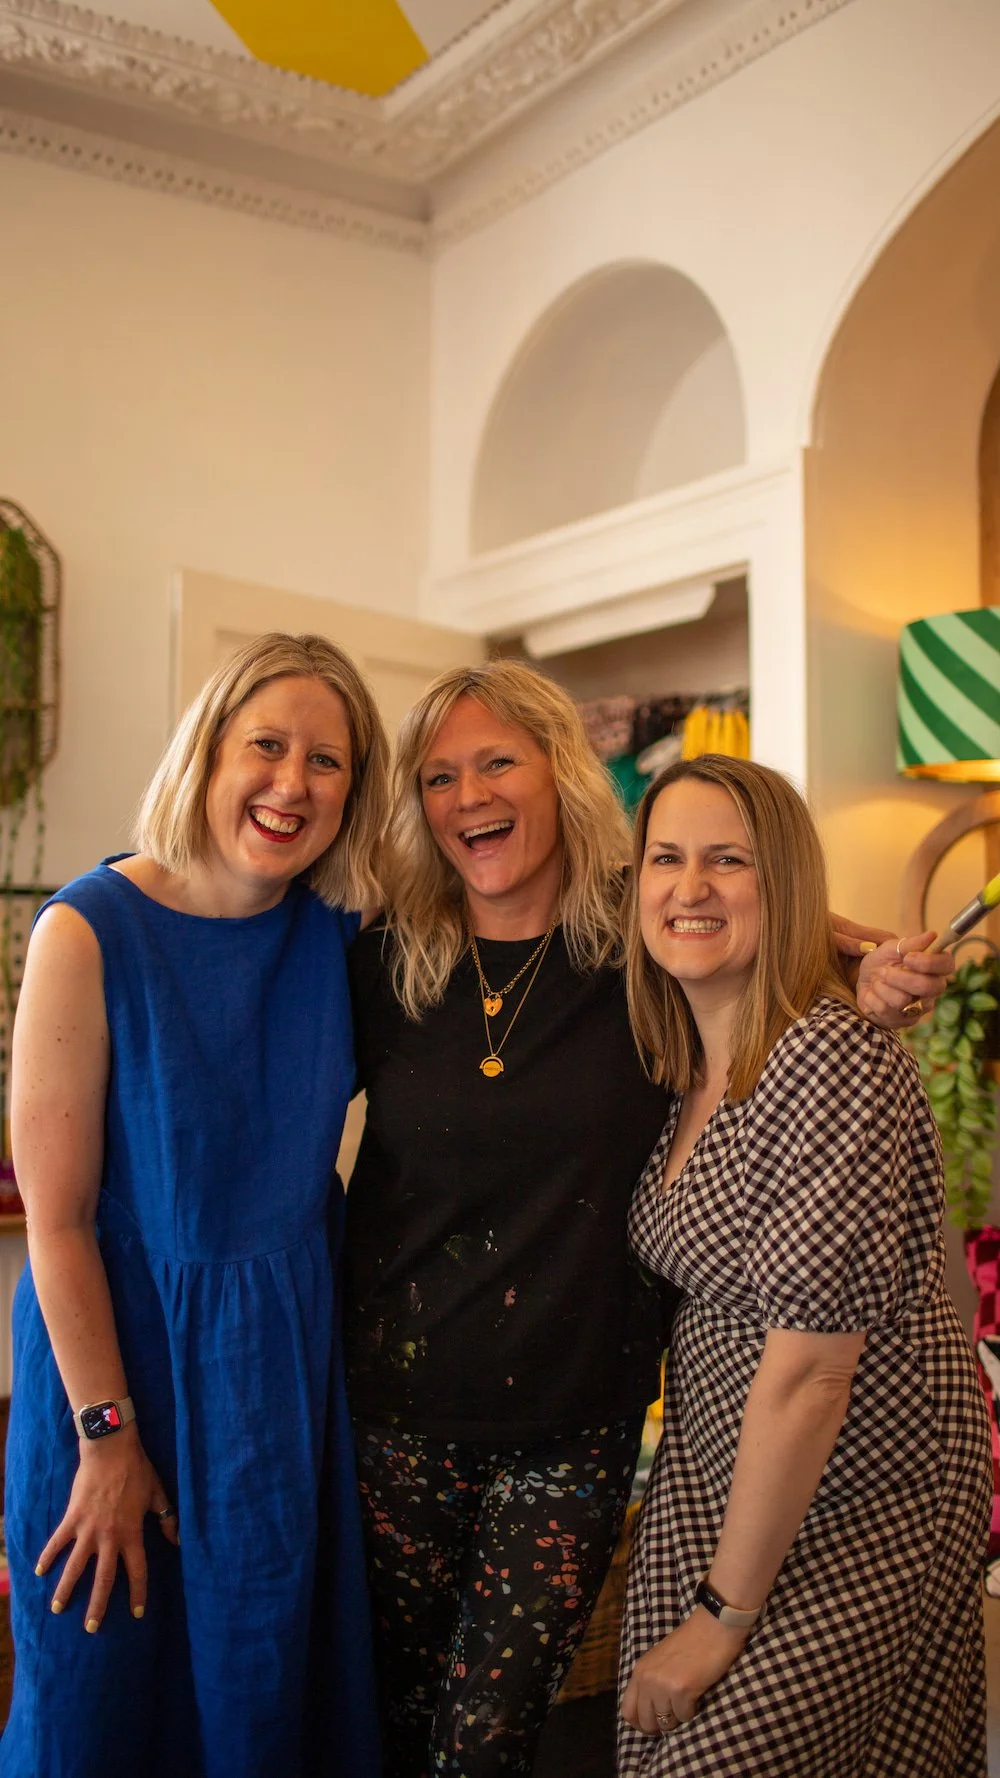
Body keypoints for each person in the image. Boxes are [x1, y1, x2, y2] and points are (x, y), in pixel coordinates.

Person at [343, 658, 953, 1778]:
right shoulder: (381, 957)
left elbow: (742, 898)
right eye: (437, 775)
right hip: (394, 1413)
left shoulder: (630, 947)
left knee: (490, 1744)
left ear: (558, 773)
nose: (467, 793)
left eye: (496, 761)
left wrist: (858, 961)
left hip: (577, 1429)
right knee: (379, 1724)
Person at [1, 633, 388, 1778]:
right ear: (208, 751)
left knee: (261, 1700)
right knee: (95, 1705)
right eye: (265, 744)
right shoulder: (87, 927)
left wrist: (805, 936)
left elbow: (575, 925)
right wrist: (107, 1439)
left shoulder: (341, 936)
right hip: (115, 1377)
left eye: (328, 760)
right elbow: (58, 1223)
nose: (292, 782)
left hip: (276, 1388)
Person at [618, 754, 992, 1777]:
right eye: (665, 858)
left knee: (706, 1758)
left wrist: (722, 1616)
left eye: (727, 860)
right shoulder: (684, 1057)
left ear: (781, 885)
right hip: (719, 1479)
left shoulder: (826, 1056)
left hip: (865, 1490)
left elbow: (815, 1369)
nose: (687, 886)